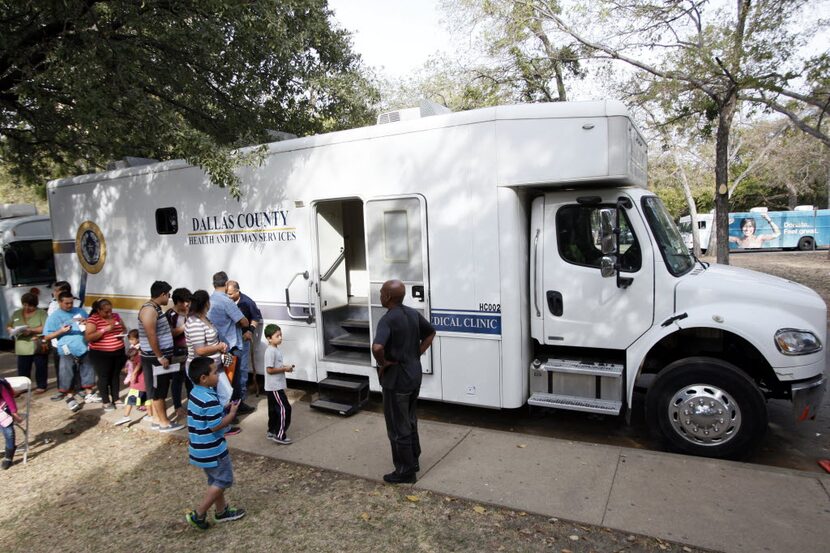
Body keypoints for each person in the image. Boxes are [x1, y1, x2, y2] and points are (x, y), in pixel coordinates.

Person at [371, 280, 435, 484]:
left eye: (381, 292)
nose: (380, 295)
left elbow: (377, 348)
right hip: (414, 375)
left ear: (388, 297)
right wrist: (416, 353)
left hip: (396, 379)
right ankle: (413, 460)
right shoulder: (412, 313)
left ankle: (405, 471)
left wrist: (383, 364)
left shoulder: (388, 319)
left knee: (398, 427)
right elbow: (431, 332)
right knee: (409, 420)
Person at [185, 356, 246, 530]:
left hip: (199, 448)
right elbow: (216, 425)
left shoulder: (196, 392)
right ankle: (199, 514)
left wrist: (222, 410)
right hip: (213, 449)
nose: (218, 375)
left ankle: (221, 512)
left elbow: (208, 416)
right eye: (214, 371)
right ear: (203, 378)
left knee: (215, 480)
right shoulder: (209, 399)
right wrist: (232, 414)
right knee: (224, 480)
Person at [137, 281, 183, 432]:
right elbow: (151, 334)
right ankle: (164, 422)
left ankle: (157, 419)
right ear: (163, 294)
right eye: (168, 294)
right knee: (159, 390)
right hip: (154, 358)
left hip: (158, 357)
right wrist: (160, 356)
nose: (169, 298)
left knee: (160, 389)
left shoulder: (156, 308)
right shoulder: (149, 310)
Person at [43, 291, 97, 412]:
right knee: (67, 373)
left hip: (83, 346)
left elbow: (91, 326)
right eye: (66, 303)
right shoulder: (54, 317)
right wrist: (60, 331)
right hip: (66, 349)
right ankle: (70, 397)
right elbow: (46, 336)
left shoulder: (80, 311)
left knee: (88, 369)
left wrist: (86, 323)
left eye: (71, 303)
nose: (69, 305)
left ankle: (89, 393)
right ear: (60, 302)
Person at [208, 272, 251, 412]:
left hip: (217, 346)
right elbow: (243, 321)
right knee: (233, 378)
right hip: (231, 346)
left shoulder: (210, 300)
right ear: (226, 284)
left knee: (224, 377)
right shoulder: (226, 301)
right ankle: (233, 409)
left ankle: (233, 406)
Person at [85, 298, 127, 411]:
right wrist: (105, 330)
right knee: (104, 377)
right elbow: (89, 337)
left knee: (115, 375)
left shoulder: (116, 316)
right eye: (106, 311)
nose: (109, 313)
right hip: (100, 354)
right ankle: (106, 401)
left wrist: (122, 333)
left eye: (110, 310)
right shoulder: (93, 320)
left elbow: (124, 328)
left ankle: (116, 398)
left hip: (118, 351)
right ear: (98, 310)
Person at [226, 280, 262, 407]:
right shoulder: (226, 301)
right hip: (228, 339)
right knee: (229, 367)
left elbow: (256, 318)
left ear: (237, 291)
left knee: (242, 368)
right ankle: (229, 396)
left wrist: (250, 331)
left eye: (230, 294)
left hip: (242, 338)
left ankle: (241, 399)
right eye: (227, 293)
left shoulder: (247, 302)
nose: (228, 296)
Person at [7, 292, 48, 393]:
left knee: (40, 367)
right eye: (25, 305)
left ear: (35, 305)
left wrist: (31, 330)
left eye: (30, 305)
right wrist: (11, 330)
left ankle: (41, 385)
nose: (27, 307)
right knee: (23, 368)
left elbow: (46, 327)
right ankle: (23, 387)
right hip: (22, 346)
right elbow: (9, 325)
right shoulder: (16, 313)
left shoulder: (41, 313)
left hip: (37, 345)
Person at [263, 324, 294, 445]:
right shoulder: (271, 351)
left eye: (281, 335)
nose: (280, 338)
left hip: (273, 386)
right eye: (277, 336)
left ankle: (272, 431)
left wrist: (285, 367)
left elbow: (275, 367)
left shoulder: (275, 349)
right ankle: (280, 435)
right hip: (274, 387)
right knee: (285, 408)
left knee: (274, 410)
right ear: (269, 338)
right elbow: (269, 370)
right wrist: (284, 369)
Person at [166, 287, 192, 419]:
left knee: (190, 380)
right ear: (178, 302)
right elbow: (171, 333)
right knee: (177, 380)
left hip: (190, 351)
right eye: (185, 302)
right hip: (177, 352)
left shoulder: (189, 313)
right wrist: (185, 325)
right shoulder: (170, 315)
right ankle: (177, 407)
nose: (187, 304)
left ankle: (192, 406)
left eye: (188, 301)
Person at [46, 281, 72, 400]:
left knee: (70, 367)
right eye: (54, 290)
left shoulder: (71, 304)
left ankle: (73, 389)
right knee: (59, 367)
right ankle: (62, 390)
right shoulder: (53, 304)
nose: (54, 293)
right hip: (56, 342)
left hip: (68, 341)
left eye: (57, 291)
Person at [115, 330, 145, 426]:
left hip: (139, 378)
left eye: (132, 339)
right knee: (147, 396)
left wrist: (134, 373)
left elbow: (139, 362)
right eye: (129, 339)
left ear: (138, 338)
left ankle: (126, 416)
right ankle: (151, 414)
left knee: (131, 397)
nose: (131, 341)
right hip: (140, 377)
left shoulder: (139, 349)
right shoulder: (134, 348)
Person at [0, 377, 23, 469]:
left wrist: (14, 412)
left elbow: (8, 398)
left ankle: (8, 456)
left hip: (3, 409)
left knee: (9, 432)